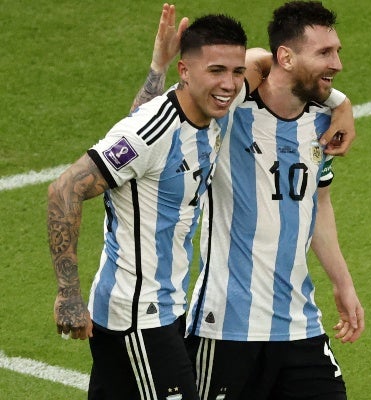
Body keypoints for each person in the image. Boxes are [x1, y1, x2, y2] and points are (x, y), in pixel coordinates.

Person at [136, 2, 364, 399]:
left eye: (337, 51)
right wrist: (159, 67)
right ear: (285, 57)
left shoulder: (323, 123)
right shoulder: (229, 112)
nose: (337, 63)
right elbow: (146, 129)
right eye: (325, 52)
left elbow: (318, 205)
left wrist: (343, 283)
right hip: (226, 327)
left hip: (300, 324)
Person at [47, 11, 258, 400]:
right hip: (138, 315)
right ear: (186, 71)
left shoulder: (210, 110)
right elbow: (64, 190)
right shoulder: (154, 130)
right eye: (216, 70)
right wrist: (68, 294)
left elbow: (269, 59)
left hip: (162, 307)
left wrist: (339, 103)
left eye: (236, 72)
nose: (229, 84)